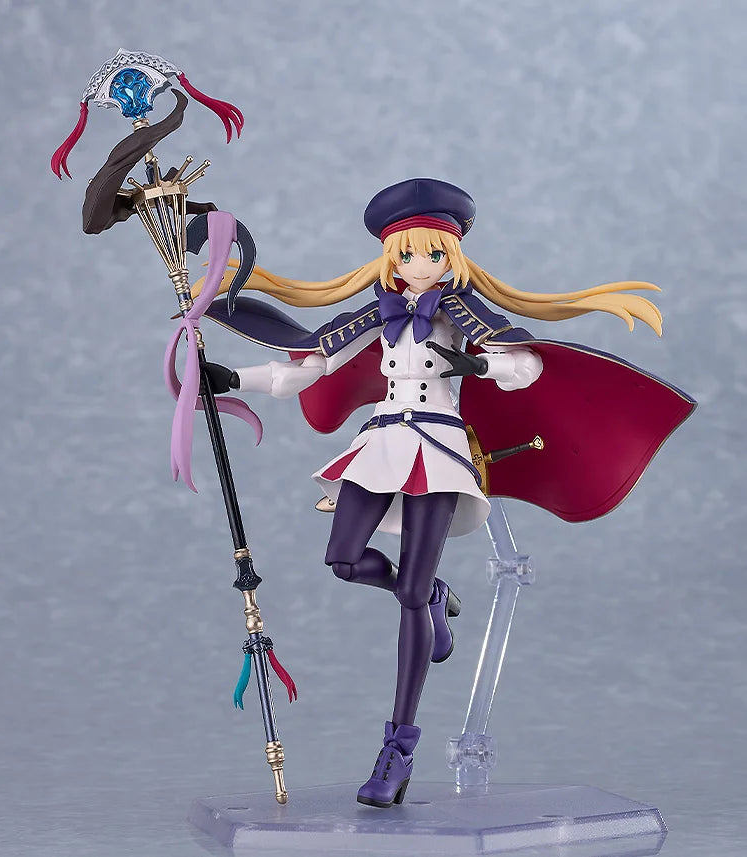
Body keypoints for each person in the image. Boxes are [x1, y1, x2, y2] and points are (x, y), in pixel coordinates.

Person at [200, 178, 695, 807]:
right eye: (407, 254)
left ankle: (398, 748)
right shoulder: (377, 313)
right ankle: (432, 592)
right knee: (344, 560)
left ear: (453, 256)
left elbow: (526, 366)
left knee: (407, 594)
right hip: (382, 441)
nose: (420, 265)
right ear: (389, 257)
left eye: (433, 254)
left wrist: (480, 364)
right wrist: (230, 377)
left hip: (437, 448)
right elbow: (307, 367)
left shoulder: (461, 312)